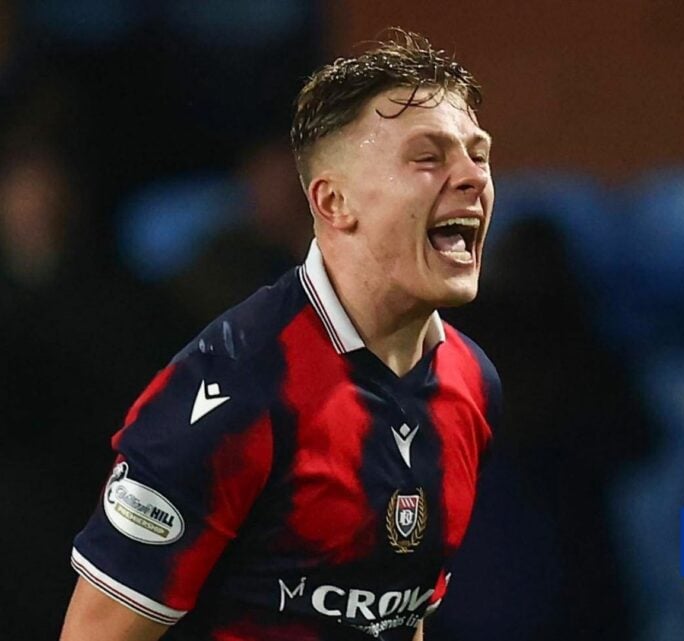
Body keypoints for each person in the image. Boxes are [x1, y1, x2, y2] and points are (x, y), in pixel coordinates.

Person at [59, 30, 500, 641]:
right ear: (334, 201)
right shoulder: (236, 389)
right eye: (429, 158)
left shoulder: (472, 382)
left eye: (478, 155)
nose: (472, 177)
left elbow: (401, 614)